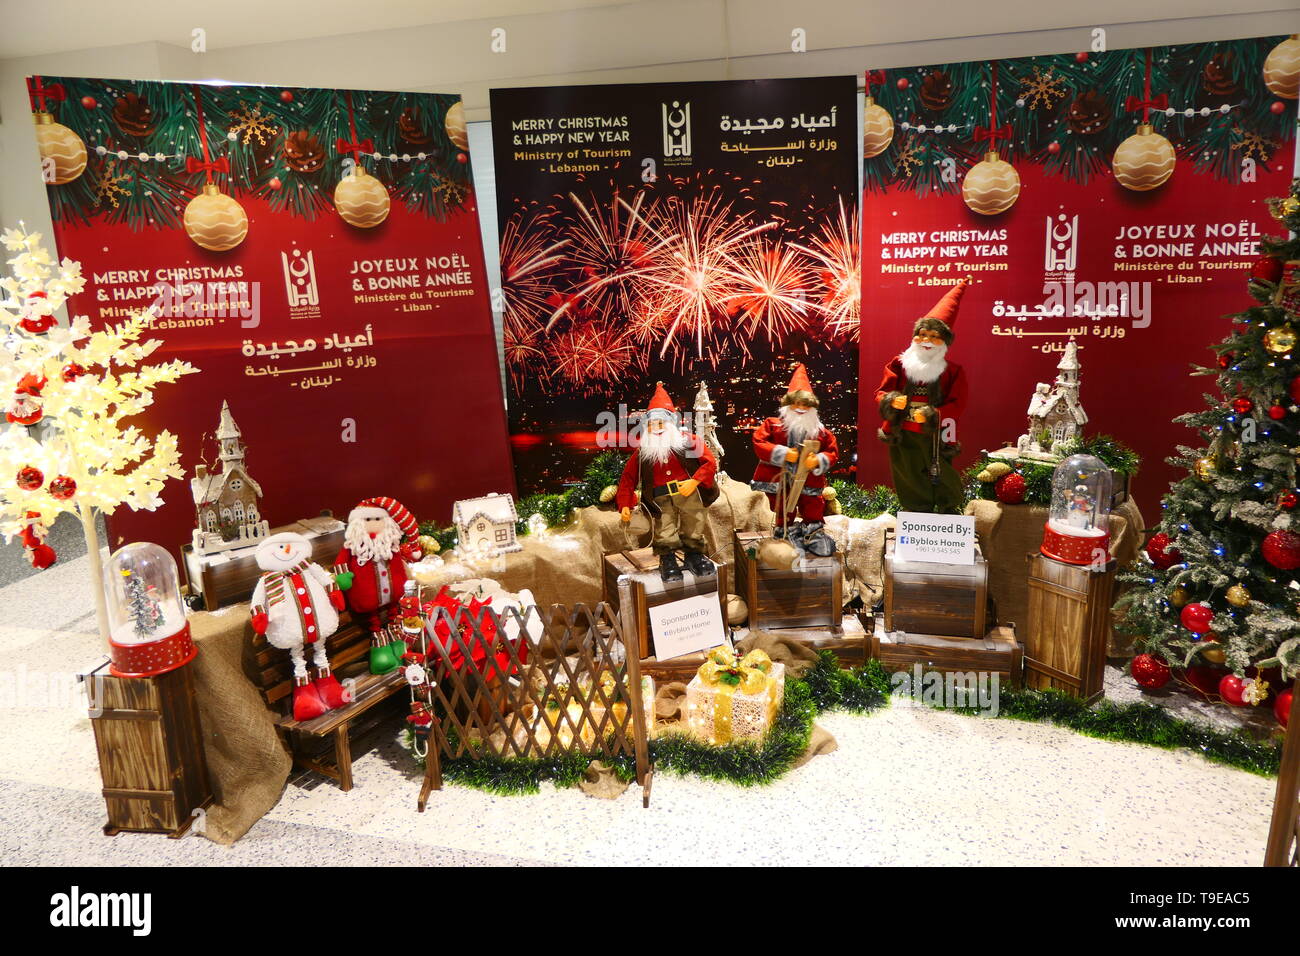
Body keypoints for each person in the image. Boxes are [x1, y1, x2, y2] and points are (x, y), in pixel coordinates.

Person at [875, 279, 970, 514]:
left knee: (942, 472)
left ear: (944, 342)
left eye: (934, 336)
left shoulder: (952, 371)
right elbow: (881, 393)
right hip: (902, 430)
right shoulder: (899, 364)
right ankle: (917, 511)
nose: (926, 340)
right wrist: (890, 400)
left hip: (934, 433)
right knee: (906, 471)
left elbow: (958, 402)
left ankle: (949, 509)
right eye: (922, 334)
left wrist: (932, 415)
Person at [616, 381, 719, 583]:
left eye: (661, 423)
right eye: (652, 424)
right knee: (665, 528)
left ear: (671, 423)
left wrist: (695, 481)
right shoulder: (643, 453)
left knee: (694, 522)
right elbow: (628, 478)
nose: (657, 428)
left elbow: (709, 462)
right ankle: (668, 558)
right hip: (660, 497)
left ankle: (694, 555)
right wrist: (624, 504)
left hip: (688, 493)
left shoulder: (689, 441)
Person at [749, 363, 838, 555]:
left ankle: (813, 532)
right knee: (782, 506)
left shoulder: (820, 432)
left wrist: (819, 460)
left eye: (805, 404)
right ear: (788, 405)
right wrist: (781, 453)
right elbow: (759, 442)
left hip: (809, 479)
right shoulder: (773, 425)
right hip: (780, 478)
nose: (801, 408)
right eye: (796, 403)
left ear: (812, 407)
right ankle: (785, 532)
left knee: (813, 505)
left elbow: (832, 451)